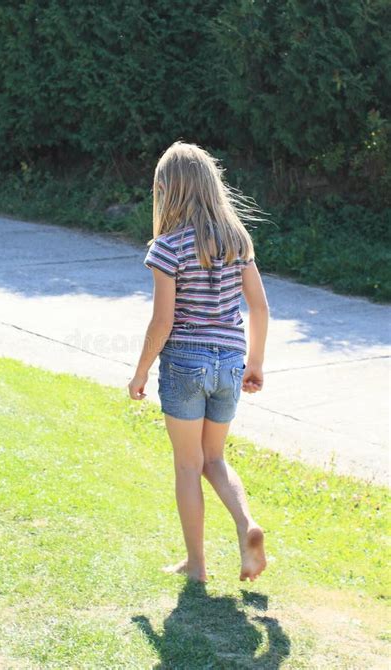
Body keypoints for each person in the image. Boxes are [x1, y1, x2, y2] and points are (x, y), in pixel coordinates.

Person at [128, 140, 269, 583]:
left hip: (186, 361)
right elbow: (260, 308)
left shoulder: (167, 247)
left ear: (167, 191)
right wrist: (255, 364)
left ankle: (197, 565)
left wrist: (141, 370)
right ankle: (247, 526)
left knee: (189, 465)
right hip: (229, 361)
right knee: (215, 458)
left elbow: (162, 321)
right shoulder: (237, 240)